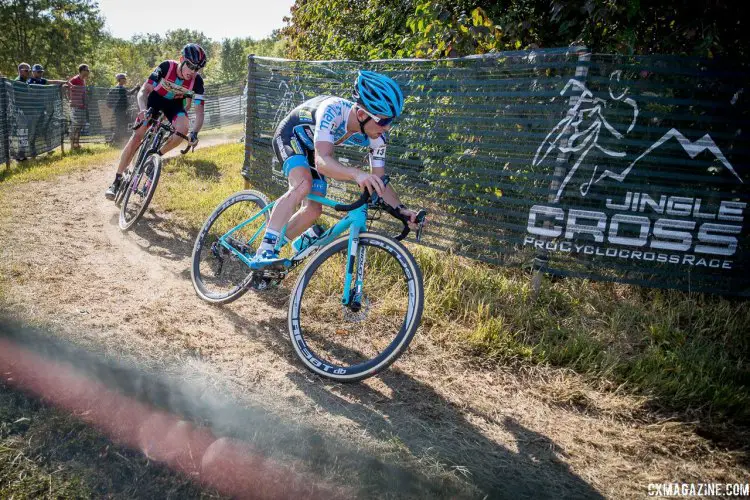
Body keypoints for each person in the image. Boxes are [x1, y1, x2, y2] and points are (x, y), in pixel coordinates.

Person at [250, 70, 420, 268]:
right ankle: (264, 251)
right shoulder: (333, 110)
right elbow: (322, 160)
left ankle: (274, 251)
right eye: (383, 121)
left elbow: (380, 181)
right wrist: (356, 173)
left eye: (391, 121)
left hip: (314, 146)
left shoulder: (378, 138)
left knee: (313, 210)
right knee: (303, 184)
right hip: (292, 135)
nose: (388, 127)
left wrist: (401, 211)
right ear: (362, 114)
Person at [104, 44, 206, 199]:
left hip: (174, 105)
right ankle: (116, 181)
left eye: (196, 69)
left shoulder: (197, 82)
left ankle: (155, 158)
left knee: (183, 129)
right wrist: (143, 109)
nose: (192, 71)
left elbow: (199, 112)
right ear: (181, 60)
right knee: (137, 137)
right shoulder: (166, 67)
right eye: (190, 66)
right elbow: (144, 91)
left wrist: (195, 132)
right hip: (154, 101)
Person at [106, 73, 139, 147]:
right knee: (119, 124)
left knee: (122, 124)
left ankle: (118, 139)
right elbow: (129, 93)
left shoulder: (119, 88)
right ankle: (114, 140)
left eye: (125, 78)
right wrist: (136, 87)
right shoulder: (120, 88)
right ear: (119, 80)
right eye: (123, 78)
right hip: (120, 110)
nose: (125, 80)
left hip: (120, 109)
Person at [67, 64, 90, 150]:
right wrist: (70, 99)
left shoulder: (83, 81)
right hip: (75, 107)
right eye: (87, 70)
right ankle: (72, 146)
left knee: (79, 126)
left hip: (82, 107)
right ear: (82, 70)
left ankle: (76, 144)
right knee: (74, 126)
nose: (88, 72)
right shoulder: (75, 79)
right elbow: (66, 86)